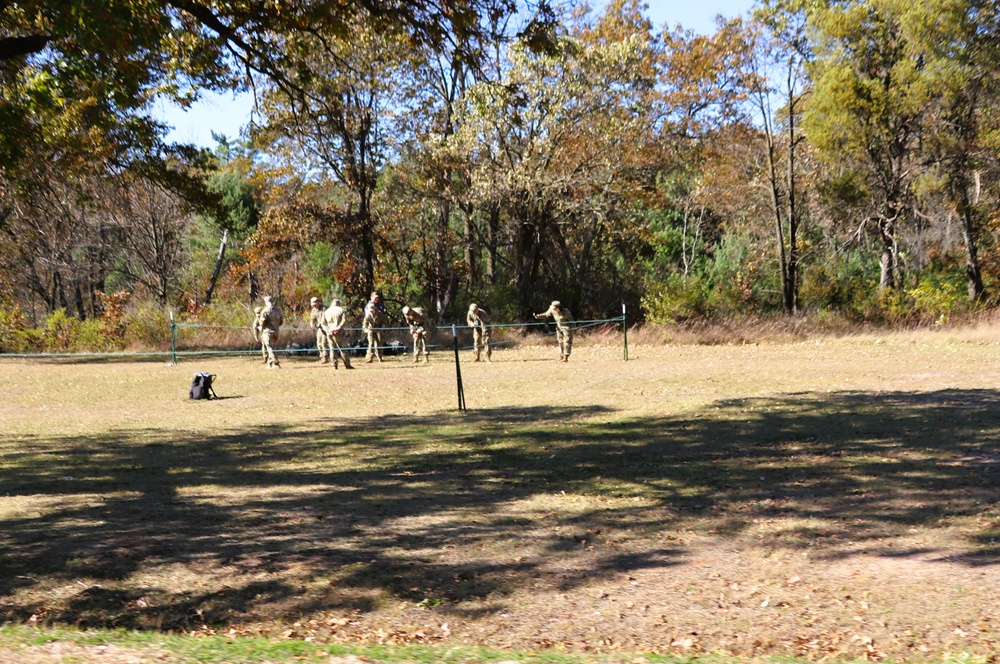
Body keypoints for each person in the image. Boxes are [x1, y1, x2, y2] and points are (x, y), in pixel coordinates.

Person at [321, 298, 353, 369]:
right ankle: (347, 364)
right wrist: (338, 328)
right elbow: (344, 321)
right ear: (339, 304)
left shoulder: (326, 311)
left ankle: (334, 365)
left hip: (330, 332)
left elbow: (323, 323)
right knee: (343, 348)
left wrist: (328, 330)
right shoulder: (341, 310)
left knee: (332, 349)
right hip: (339, 332)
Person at [258, 295, 284, 368]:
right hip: (276, 331)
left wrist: (261, 327)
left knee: (269, 347)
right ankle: (269, 364)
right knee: (272, 347)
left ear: (266, 302)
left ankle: (276, 363)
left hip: (268, 332)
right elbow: (281, 321)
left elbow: (262, 322)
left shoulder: (265, 311)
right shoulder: (278, 310)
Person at [362, 290, 385, 363]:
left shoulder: (380, 306)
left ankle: (380, 358)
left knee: (379, 344)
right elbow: (365, 323)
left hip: (379, 328)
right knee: (371, 344)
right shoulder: (368, 307)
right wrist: (366, 330)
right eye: (375, 298)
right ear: (371, 297)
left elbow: (384, 321)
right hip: (371, 329)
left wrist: (381, 329)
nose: (376, 299)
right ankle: (369, 358)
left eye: (377, 298)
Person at [309, 296, 330, 364]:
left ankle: (325, 358)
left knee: (324, 343)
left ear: (318, 302)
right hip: (320, 329)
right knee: (319, 343)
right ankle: (322, 357)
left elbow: (326, 319)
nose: (314, 306)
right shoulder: (314, 310)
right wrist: (312, 324)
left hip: (326, 328)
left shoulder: (325, 309)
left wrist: (319, 324)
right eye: (313, 305)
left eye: (315, 304)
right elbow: (312, 318)